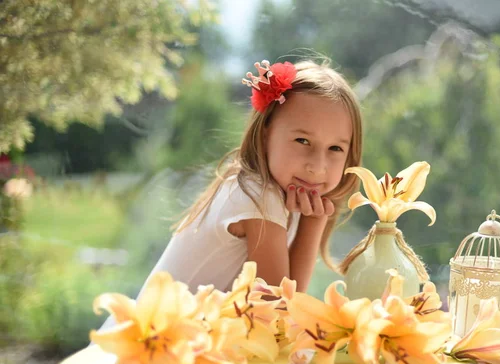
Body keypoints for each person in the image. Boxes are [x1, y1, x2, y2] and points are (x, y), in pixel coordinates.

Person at [95, 58, 364, 335]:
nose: (317, 165)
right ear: (264, 135)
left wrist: (313, 221)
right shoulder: (259, 195)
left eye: (335, 148)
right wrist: (312, 225)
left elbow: (282, 299)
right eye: (302, 141)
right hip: (145, 347)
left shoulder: (276, 191)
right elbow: (276, 311)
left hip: (171, 346)